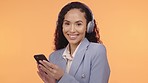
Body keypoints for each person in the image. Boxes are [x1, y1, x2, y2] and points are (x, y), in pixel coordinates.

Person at [37, 1, 110, 83]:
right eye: (67, 24)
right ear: (61, 26)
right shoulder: (54, 57)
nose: (72, 30)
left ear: (88, 27)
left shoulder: (97, 51)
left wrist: (62, 77)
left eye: (78, 24)